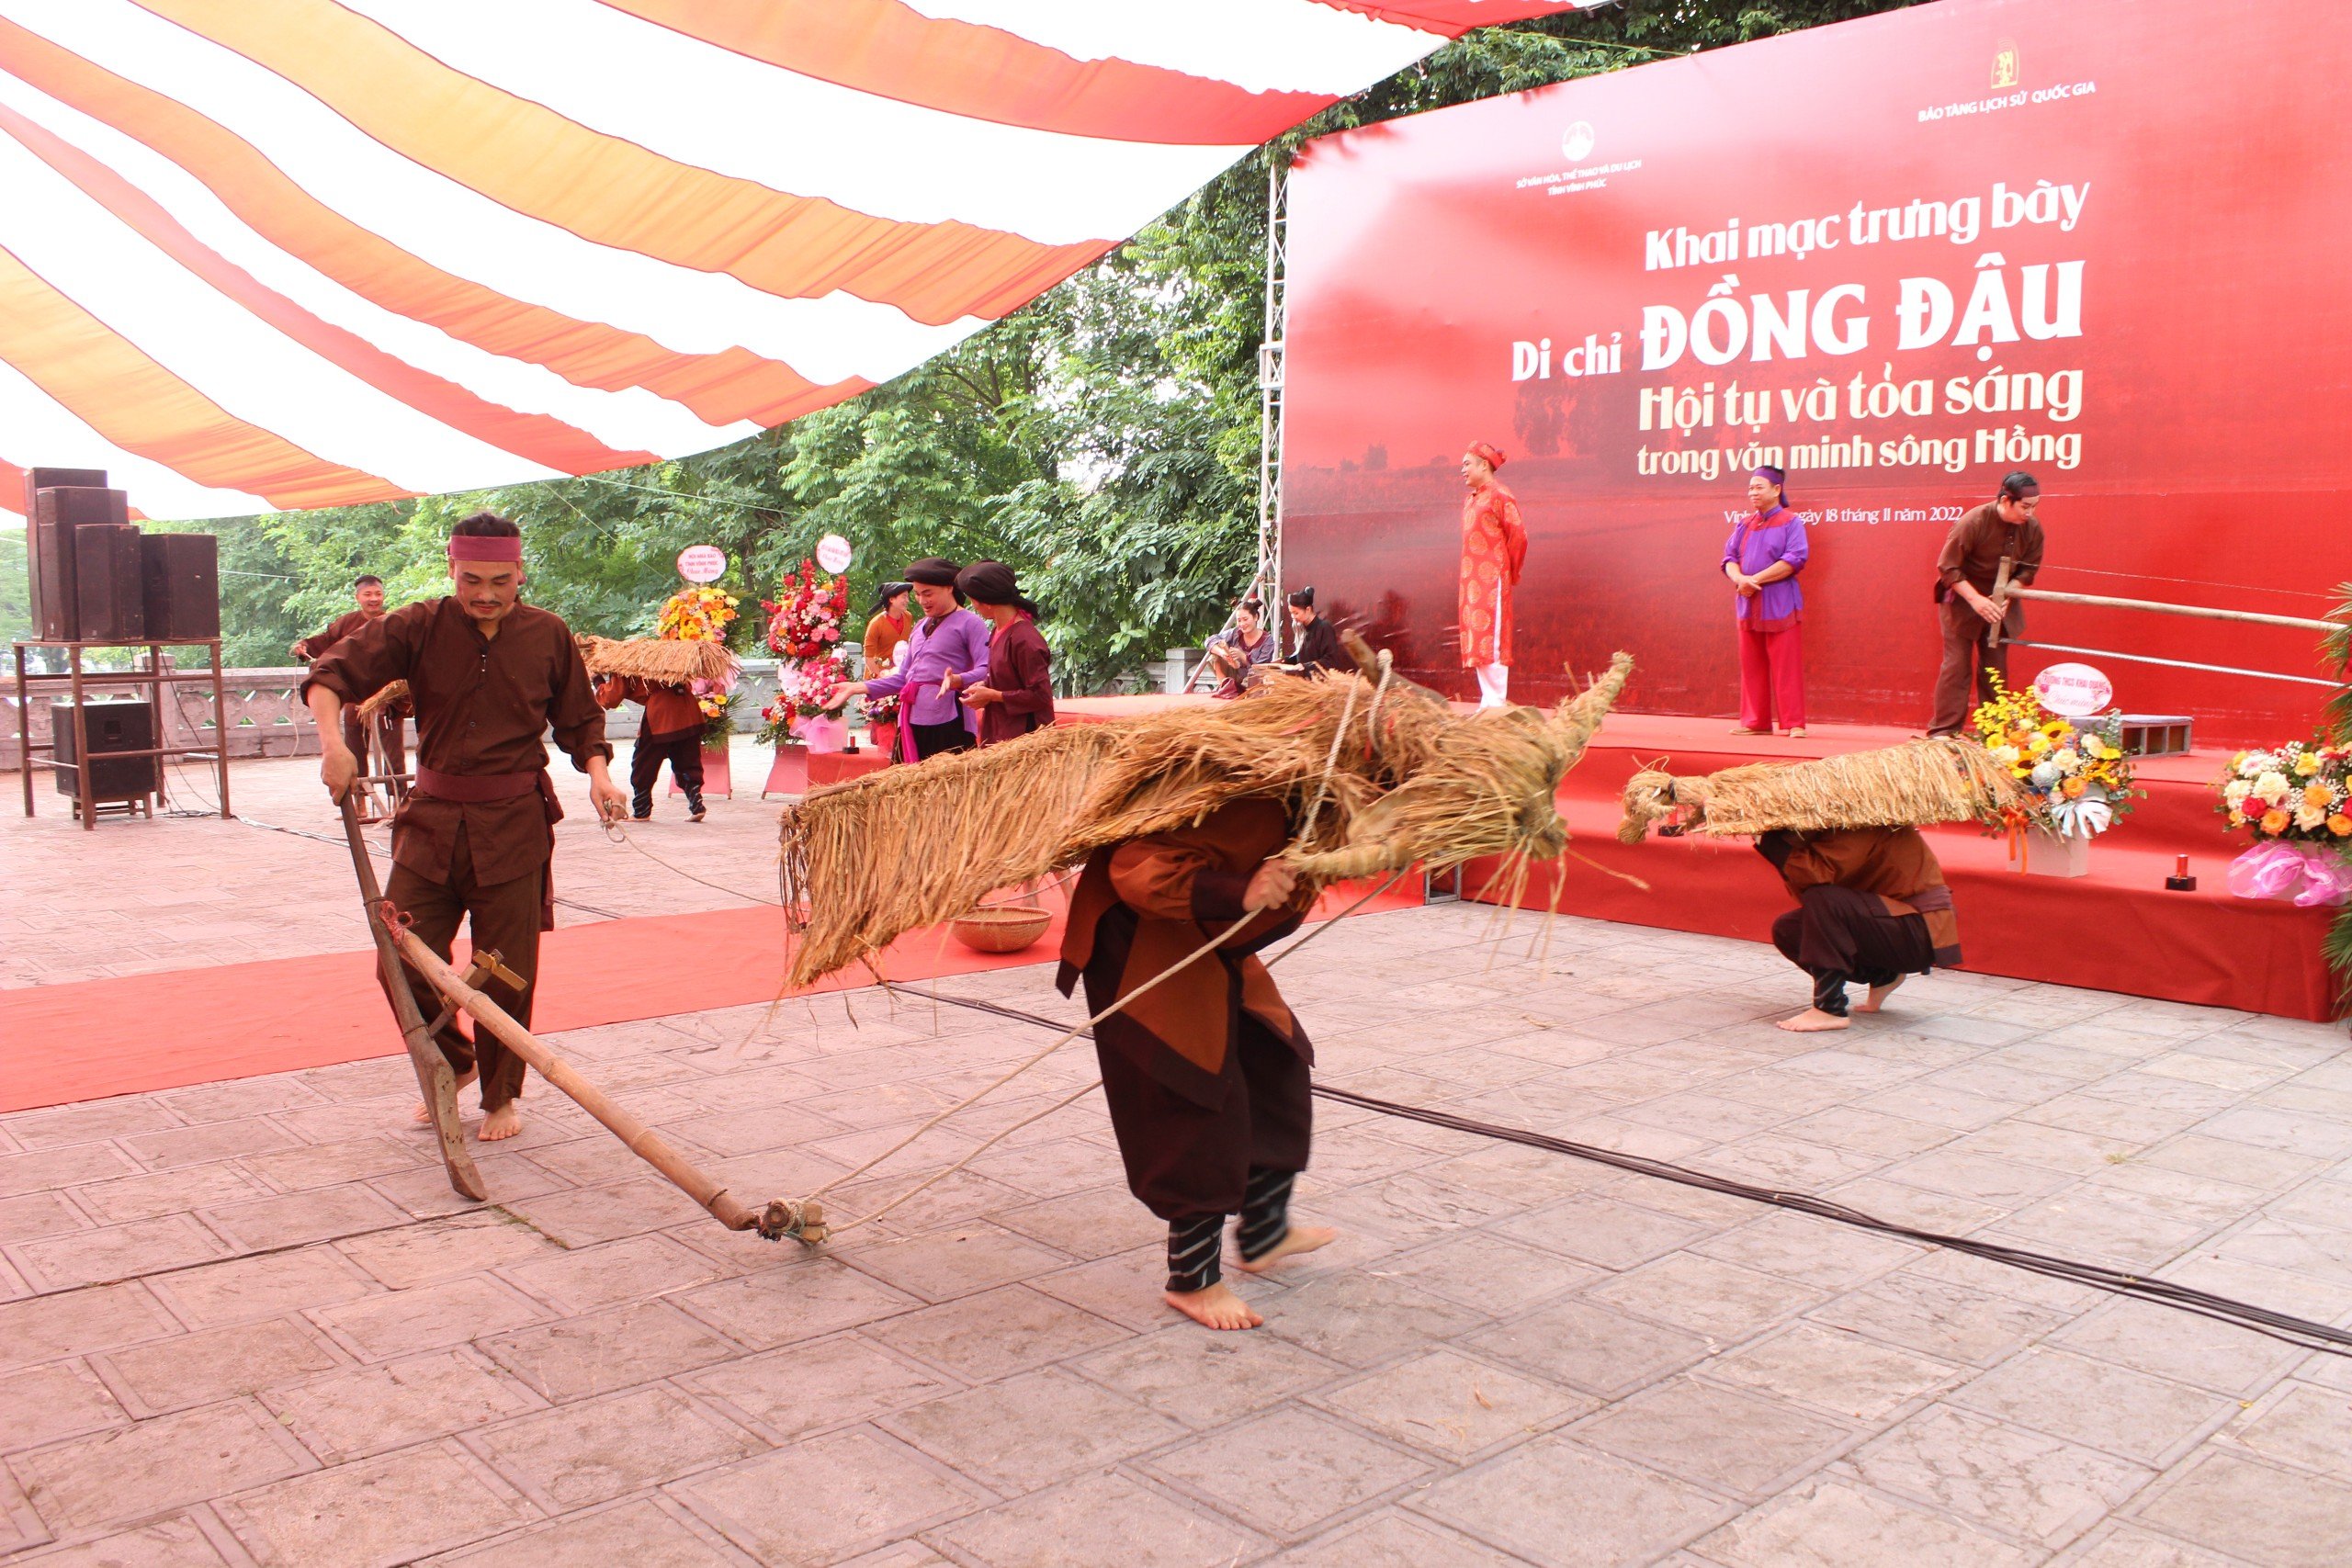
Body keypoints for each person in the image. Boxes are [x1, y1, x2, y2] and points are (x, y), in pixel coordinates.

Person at [304, 512, 625, 1141]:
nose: (485, 593)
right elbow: (329, 673)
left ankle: (502, 1096)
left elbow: (580, 720)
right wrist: (330, 744)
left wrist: (598, 773)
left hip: (514, 825)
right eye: (472, 578)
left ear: (520, 573)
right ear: (451, 569)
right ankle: (453, 1061)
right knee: (398, 959)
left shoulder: (548, 633)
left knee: (504, 966)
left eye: (500, 581)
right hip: (431, 823)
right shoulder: (416, 625)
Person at [1057, 796, 1336, 1329]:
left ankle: (1264, 1231)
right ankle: (1192, 1279)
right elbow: (1134, 865)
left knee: (1275, 1056)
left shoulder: (1317, 797)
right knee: (1194, 1086)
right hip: (1140, 937)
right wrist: (1238, 890)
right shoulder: (1247, 787)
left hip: (1206, 931)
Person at [1758, 825, 1961, 1033]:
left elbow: (1818, 878)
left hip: (1918, 931)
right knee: (1789, 929)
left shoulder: (1862, 823)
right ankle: (1883, 975)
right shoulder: (1836, 824)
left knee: (1824, 899)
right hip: (1893, 920)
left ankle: (1829, 1008)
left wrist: (1779, 848)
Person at [831, 558, 989, 761]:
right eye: (917, 594)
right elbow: (903, 678)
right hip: (912, 719)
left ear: (950, 588)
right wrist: (857, 687)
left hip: (950, 720)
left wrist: (958, 679)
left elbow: (985, 668)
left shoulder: (971, 623)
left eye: (928, 594)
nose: (922, 601)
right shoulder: (920, 627)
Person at [1929, 471, 2046, 736]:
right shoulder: (1973, 521)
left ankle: (1996, 735)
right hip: (1962, 599)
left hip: (2000, 604)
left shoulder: (2033, 528)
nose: (2030, 513)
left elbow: (2027, 572)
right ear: (2006, 500)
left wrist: (2007, 594)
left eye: (2035, 507)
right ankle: (1944, 733)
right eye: (2025, 506)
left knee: (1995, 669)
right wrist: (1976, 600)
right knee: (1956, 666)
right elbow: (1948, 568)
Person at [1723, 466, 1809, 739]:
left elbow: (1795, 559)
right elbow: (1729, 559)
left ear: (1777, 490)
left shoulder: (1791, 521)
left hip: (1780, 601)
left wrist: (1753, 580)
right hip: (1748, 601)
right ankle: (1755, 721)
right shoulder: (1745, 523)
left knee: (1787, 665)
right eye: (1750, 488)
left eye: (1759, 487)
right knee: (1751, 665)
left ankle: (1794, 723)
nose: (1753, 493)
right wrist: (1739, 580)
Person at [295, 575, 407, 785]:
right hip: (356, 692)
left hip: (386, 693)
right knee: (354, 743)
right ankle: (359, 797)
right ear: (358, 598)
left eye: (378, 594)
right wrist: (304, 647)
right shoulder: (347, 622)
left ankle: (398, 798)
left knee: (393, 746)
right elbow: (326, 641)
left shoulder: (393, 622)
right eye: (368, 594)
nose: (374, 599)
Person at [1458, 442, 1529, 708]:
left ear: (1483, 465)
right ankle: (1488, 700)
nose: (1462, 469)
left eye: (1467, 464)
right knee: (1478, 639)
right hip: (1471, 582)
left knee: (1493, 640)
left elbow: (1518, 536)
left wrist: (1508, 572)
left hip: (1492, 582)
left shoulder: (1501, 495)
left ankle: (1496, 703)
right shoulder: (1471, 500)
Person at [956, 560, 1055, 746]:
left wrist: (993, 695)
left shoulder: (1025, 639)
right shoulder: (998, 630)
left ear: (986, 602)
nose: (973, 605)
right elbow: (1009, 679)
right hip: (999, 734)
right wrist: (985, 685)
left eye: (972, 599)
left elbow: (1040, 696)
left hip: (1026, 743)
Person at [594, 675, 706, 821]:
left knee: (644, 761)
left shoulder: (629, 657)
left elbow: (612, 697)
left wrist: (597, 681)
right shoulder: (672, 653)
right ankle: (697, 805)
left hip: (661, 710)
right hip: (687, 703)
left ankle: (642, 810)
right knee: (686, 758)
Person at [860, 581, 912, 759]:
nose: (908, 600)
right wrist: (880, 676)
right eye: (904, 596)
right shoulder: (876, 623)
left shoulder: (908, 617)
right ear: (891, 599)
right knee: (885, 716)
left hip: (901, 672)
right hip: (880, 674)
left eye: (907, 596)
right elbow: (868, 656)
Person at [1201, 598, 1276, 699]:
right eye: (1239, 620)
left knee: (1258, 676)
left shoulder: (1267, 640)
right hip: (1234, 675)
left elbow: (1261, 666)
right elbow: (1210, 640)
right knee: (1215, 656)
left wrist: (1243, 657)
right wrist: (1223, 653)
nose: (1242, 624)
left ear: (1255, 617)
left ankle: (1237, 690)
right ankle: (1224, 687)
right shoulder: (1235, 633)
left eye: (1245, 619)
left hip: (1253, 680)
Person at [1283, 588, 1349, 675]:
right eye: (1291, 613)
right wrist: (1286, 660)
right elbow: (1303, 657)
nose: (1293, 617)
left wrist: (1306, 667)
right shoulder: (1300, 628)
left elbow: (1331, 661)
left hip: (1321, 684)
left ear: (1308, 610)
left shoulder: (1324, 628)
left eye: (1296, 613)